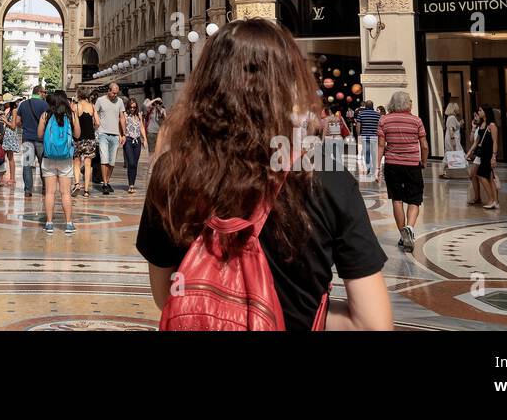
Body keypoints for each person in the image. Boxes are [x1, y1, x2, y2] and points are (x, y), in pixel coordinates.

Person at [135, 20, 392, 331]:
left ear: (206, 84)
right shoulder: (326, 174)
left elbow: (166, 296)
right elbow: (371, 324)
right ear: (288, 84)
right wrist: (305, 310)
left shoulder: (172, 173)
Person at [376, 91, 427, 251]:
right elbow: (424, 145)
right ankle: (410, 228)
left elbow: (380, 145)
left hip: (392, 164)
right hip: (412, 165)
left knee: (396, 199)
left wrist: (377, 167)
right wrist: (423, 161)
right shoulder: (416, 120)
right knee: (414, 200)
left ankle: (403, 235)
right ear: (407, 103)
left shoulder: (384, 120)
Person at [36, 90, 80, 234]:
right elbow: (78, 135)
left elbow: (39, 134)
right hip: (66, 158)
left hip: (49, 157)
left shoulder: (46, 115)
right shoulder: (71, 115)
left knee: (49, 192)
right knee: (65, 193)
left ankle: (49, 223)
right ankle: (68, 224)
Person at [15, 86, 50, 195]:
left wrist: (25, 125)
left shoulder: (23, 104)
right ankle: (45, 188)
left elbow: (17, 122)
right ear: (39, 92)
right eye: (44, 92)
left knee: (27, 164)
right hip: (41, 139)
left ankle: (28, 190)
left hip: (27, 138)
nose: (45, 94)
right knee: (43, 164)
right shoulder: (45, 105)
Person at [465, 106, 500, 209]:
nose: (479, 112)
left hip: (488, 154)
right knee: (489, 177)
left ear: (486, 112)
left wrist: (494, 156)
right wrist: (469, 152)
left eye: (480, 110)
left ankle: (491, 199)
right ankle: (495, 201)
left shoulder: (491, 125)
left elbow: (495, 141)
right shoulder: (481, 125)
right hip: (482, 153)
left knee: (480, 174)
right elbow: (476, 141)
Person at [94, 83, 125, 195]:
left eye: (116, 93)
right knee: (104, 158)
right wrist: (96, 124)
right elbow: (95, 112)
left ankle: (107, 180)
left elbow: (122, 117)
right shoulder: (100, 100)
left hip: (115, 134)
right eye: (113, 92)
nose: (114, 95)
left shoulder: (120, 101)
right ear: (108, 90)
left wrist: (123, 134)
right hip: (103, 133)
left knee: (112, 161)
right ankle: (105, 184)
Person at [72, 91, 96, 197]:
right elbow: (98, 123)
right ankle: (86, 190)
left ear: (78, 96)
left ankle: (77, 184)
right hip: (90, 138)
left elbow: (73, 122)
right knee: (88, 165)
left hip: (78, 139)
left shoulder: (75, 106)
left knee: (76, 162)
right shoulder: (92, 107)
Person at [122, 97, 147, 194]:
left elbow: (141, 127)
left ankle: (131, 184)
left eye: (134, 107)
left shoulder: (139, 115)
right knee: (131, 163)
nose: (132, 109)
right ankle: (130, 184)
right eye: (131, 107)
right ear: (128, 106)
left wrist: (145, 139)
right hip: (128, 140)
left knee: (135, 164)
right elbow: (121, 126)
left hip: (137, 141)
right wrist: (122, 136)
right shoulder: (124, 115)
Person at [355, 99, 380, 181]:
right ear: (372, 106)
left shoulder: (361, 114)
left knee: (367, 153)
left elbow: (358, 125)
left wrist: (359, 135)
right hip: (375, 137)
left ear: (365, 106)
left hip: (365, 136)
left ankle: (369, 167)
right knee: (374, 153)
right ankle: (373, 168)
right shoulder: (377, 115)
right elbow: (380, 126)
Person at [0, 100, 19, 190]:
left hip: (10, 135)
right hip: (7, 134)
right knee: (4, 156)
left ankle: (12, 178)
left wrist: (5, 121)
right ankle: (3, 176)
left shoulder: (14, 110)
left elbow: (13, 126)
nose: (4, 104)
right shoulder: (10, 110)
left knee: (10, 157)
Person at [441, 101, 463, 178]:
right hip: (452, 139)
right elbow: (451, 130)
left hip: (450, 138)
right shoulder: (452, 118)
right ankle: (451, 172)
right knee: (454, 154)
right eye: (457, 107)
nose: (458, 109)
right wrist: (453, 142)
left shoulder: (450, 117)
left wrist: (459, 124)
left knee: (449, 154)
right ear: (454, 109)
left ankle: (445, 172)